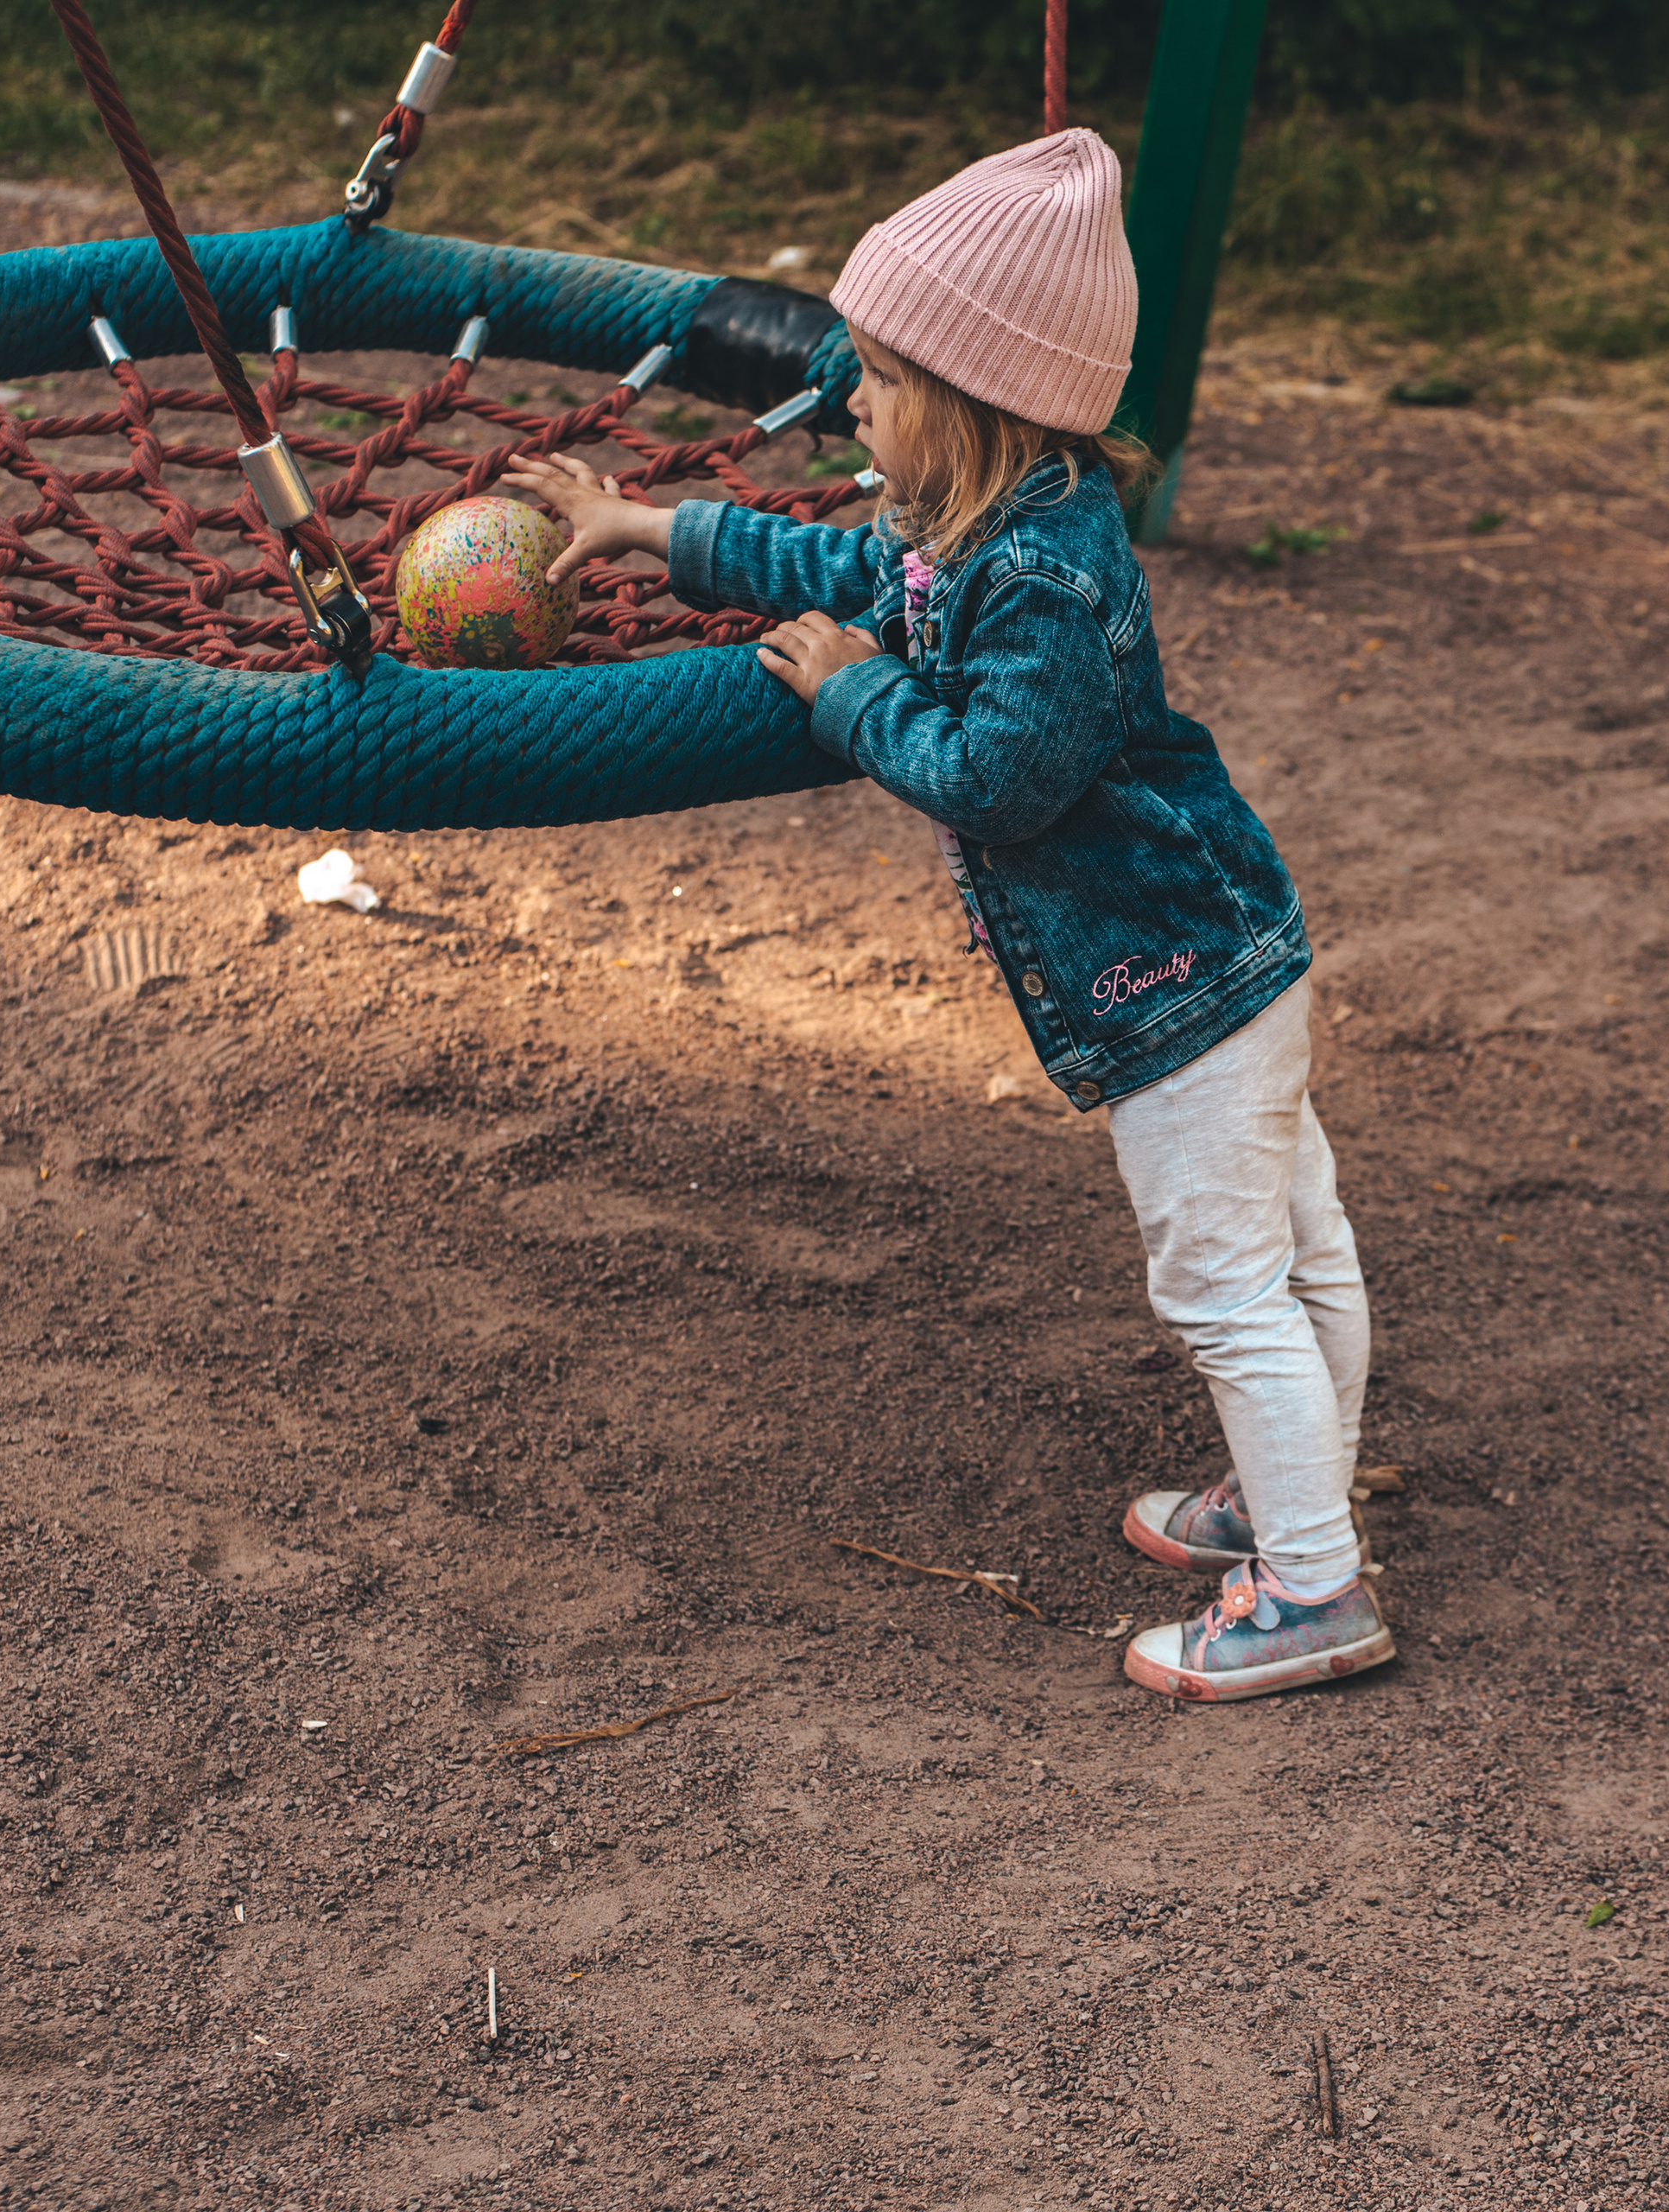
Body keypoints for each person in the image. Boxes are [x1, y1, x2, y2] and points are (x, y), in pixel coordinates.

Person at [502, 129, 1392, 1703]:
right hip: (1220, 947)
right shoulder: (991, 523)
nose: (852, 400)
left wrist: (855, 704)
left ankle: (1313, 1589)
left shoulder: (1040, 582)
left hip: (1170, 979)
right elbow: (847, 559)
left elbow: (1000, 779)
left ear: (975, 407)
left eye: (882, 380)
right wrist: (664, 529)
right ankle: (1288, 1503)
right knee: (1298, 1251)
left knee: (1224, 1285)